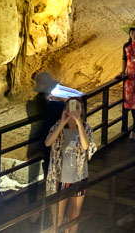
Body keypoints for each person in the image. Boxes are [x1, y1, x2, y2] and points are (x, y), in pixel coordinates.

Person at [46, 98, 97, 229]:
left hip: (79, 176)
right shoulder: (59, 126)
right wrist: (63, 123)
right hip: (61, 177)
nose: (73, 111)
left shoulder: (86, 127)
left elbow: (87, 146)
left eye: (77, 108)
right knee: (57, 216)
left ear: (82, 111)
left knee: (74, 215)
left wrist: (79, 123)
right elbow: (48, 142)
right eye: (69, 108)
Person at [29, 70, 68, 182]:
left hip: (48, 138)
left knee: (49, 166)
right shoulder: (54, 103)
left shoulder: (40, 101)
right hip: (53, 137)